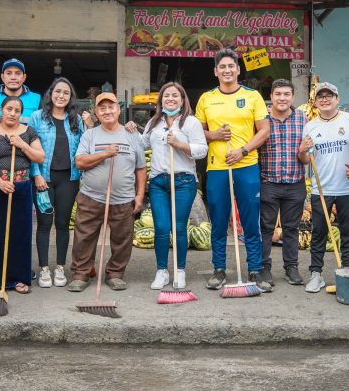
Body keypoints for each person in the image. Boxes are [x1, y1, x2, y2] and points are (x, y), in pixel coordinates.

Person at [194, 48, 270, 291]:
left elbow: (264, 130)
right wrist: (214, 135)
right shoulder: (206, 98)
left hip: (246, 166)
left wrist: (243, 151)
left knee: (250, 220)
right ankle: (219, 269)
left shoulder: (252, 96)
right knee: (218, 220)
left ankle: (255, 269)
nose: (227, 70)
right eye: (222, 67)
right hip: (217, 168)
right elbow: (197, 132)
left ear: (238, 69)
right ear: (215, 72)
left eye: (231, 66)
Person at [129, 82, 207, 290]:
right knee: (162, 228)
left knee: (179, 227)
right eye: (166, 96)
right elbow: (143, 144)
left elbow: (202, 150)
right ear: (161, 100)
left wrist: (179, 144)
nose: (170, 99)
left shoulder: (190, 122)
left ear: (182, 100)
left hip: (183, 181)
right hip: (158, 182)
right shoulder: (154, 122)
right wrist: (133, 132)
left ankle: (180, 271)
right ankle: (161, 271)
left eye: (175, 95)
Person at [67, 92, 146, 292]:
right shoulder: (90, 135)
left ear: (119, 110)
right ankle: (81, 274)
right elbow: (80, 162)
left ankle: (115, 274)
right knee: (84, 237)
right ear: (96, 112)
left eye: (111, 107)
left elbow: (140, 167)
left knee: (122, 238)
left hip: (123, 198)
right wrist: (105, 153)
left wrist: (139, 195)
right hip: (91, 197)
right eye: (102, 108)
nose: (107, 111)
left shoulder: (132, 135)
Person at [297, 82, 349, 293]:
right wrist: (302, 150)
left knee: (348, 233)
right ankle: (316, 274)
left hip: (348, 188)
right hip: (321, 189)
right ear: (315, 101)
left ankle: (347, 271)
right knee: (318, 233)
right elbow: (305, 160)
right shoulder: (310, 126)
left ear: (337, 98)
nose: (324, 99)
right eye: (320, 96)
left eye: (329, 96)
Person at [0, 96, 44, 296]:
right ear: (1, 109)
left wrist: (22, 145)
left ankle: (19, 277)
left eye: (17, 110)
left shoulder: (29, 132)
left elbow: (40, 157)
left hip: (22, 187)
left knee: (20, 234)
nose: (13, 113)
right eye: (9, 109)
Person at [30, 78, 85, 288]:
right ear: (50, 93)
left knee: (62, 224)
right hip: (44, 179)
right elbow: (30, 147)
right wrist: (36, 175)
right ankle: (44, 269)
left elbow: (83, 148)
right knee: (44, 224)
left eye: (66, 93)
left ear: (71, 98)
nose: (61, 96)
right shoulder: (37, 117)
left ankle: (60, 267)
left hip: (68, 179)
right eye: (58, 91)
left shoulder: (76, 119)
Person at [258, 79, 308, 292]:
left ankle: (291, 267)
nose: (282, 98)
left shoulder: (303, 119)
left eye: (287, 94)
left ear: (293, 97)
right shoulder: (262, 120)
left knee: (291, 228)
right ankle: (264, 267)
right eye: (278, 94)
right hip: (269, 181)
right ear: (271, 96)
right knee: (266, 228)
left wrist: (305, 151)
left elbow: (307, 156)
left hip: (295, 182)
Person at [0, 58, 41, 133]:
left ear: (24, 77)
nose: (13, 77)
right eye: (9, 73)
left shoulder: (36, 99)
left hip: (27, 141)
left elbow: (44, 130)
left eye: (18, 73)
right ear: (2, 77)